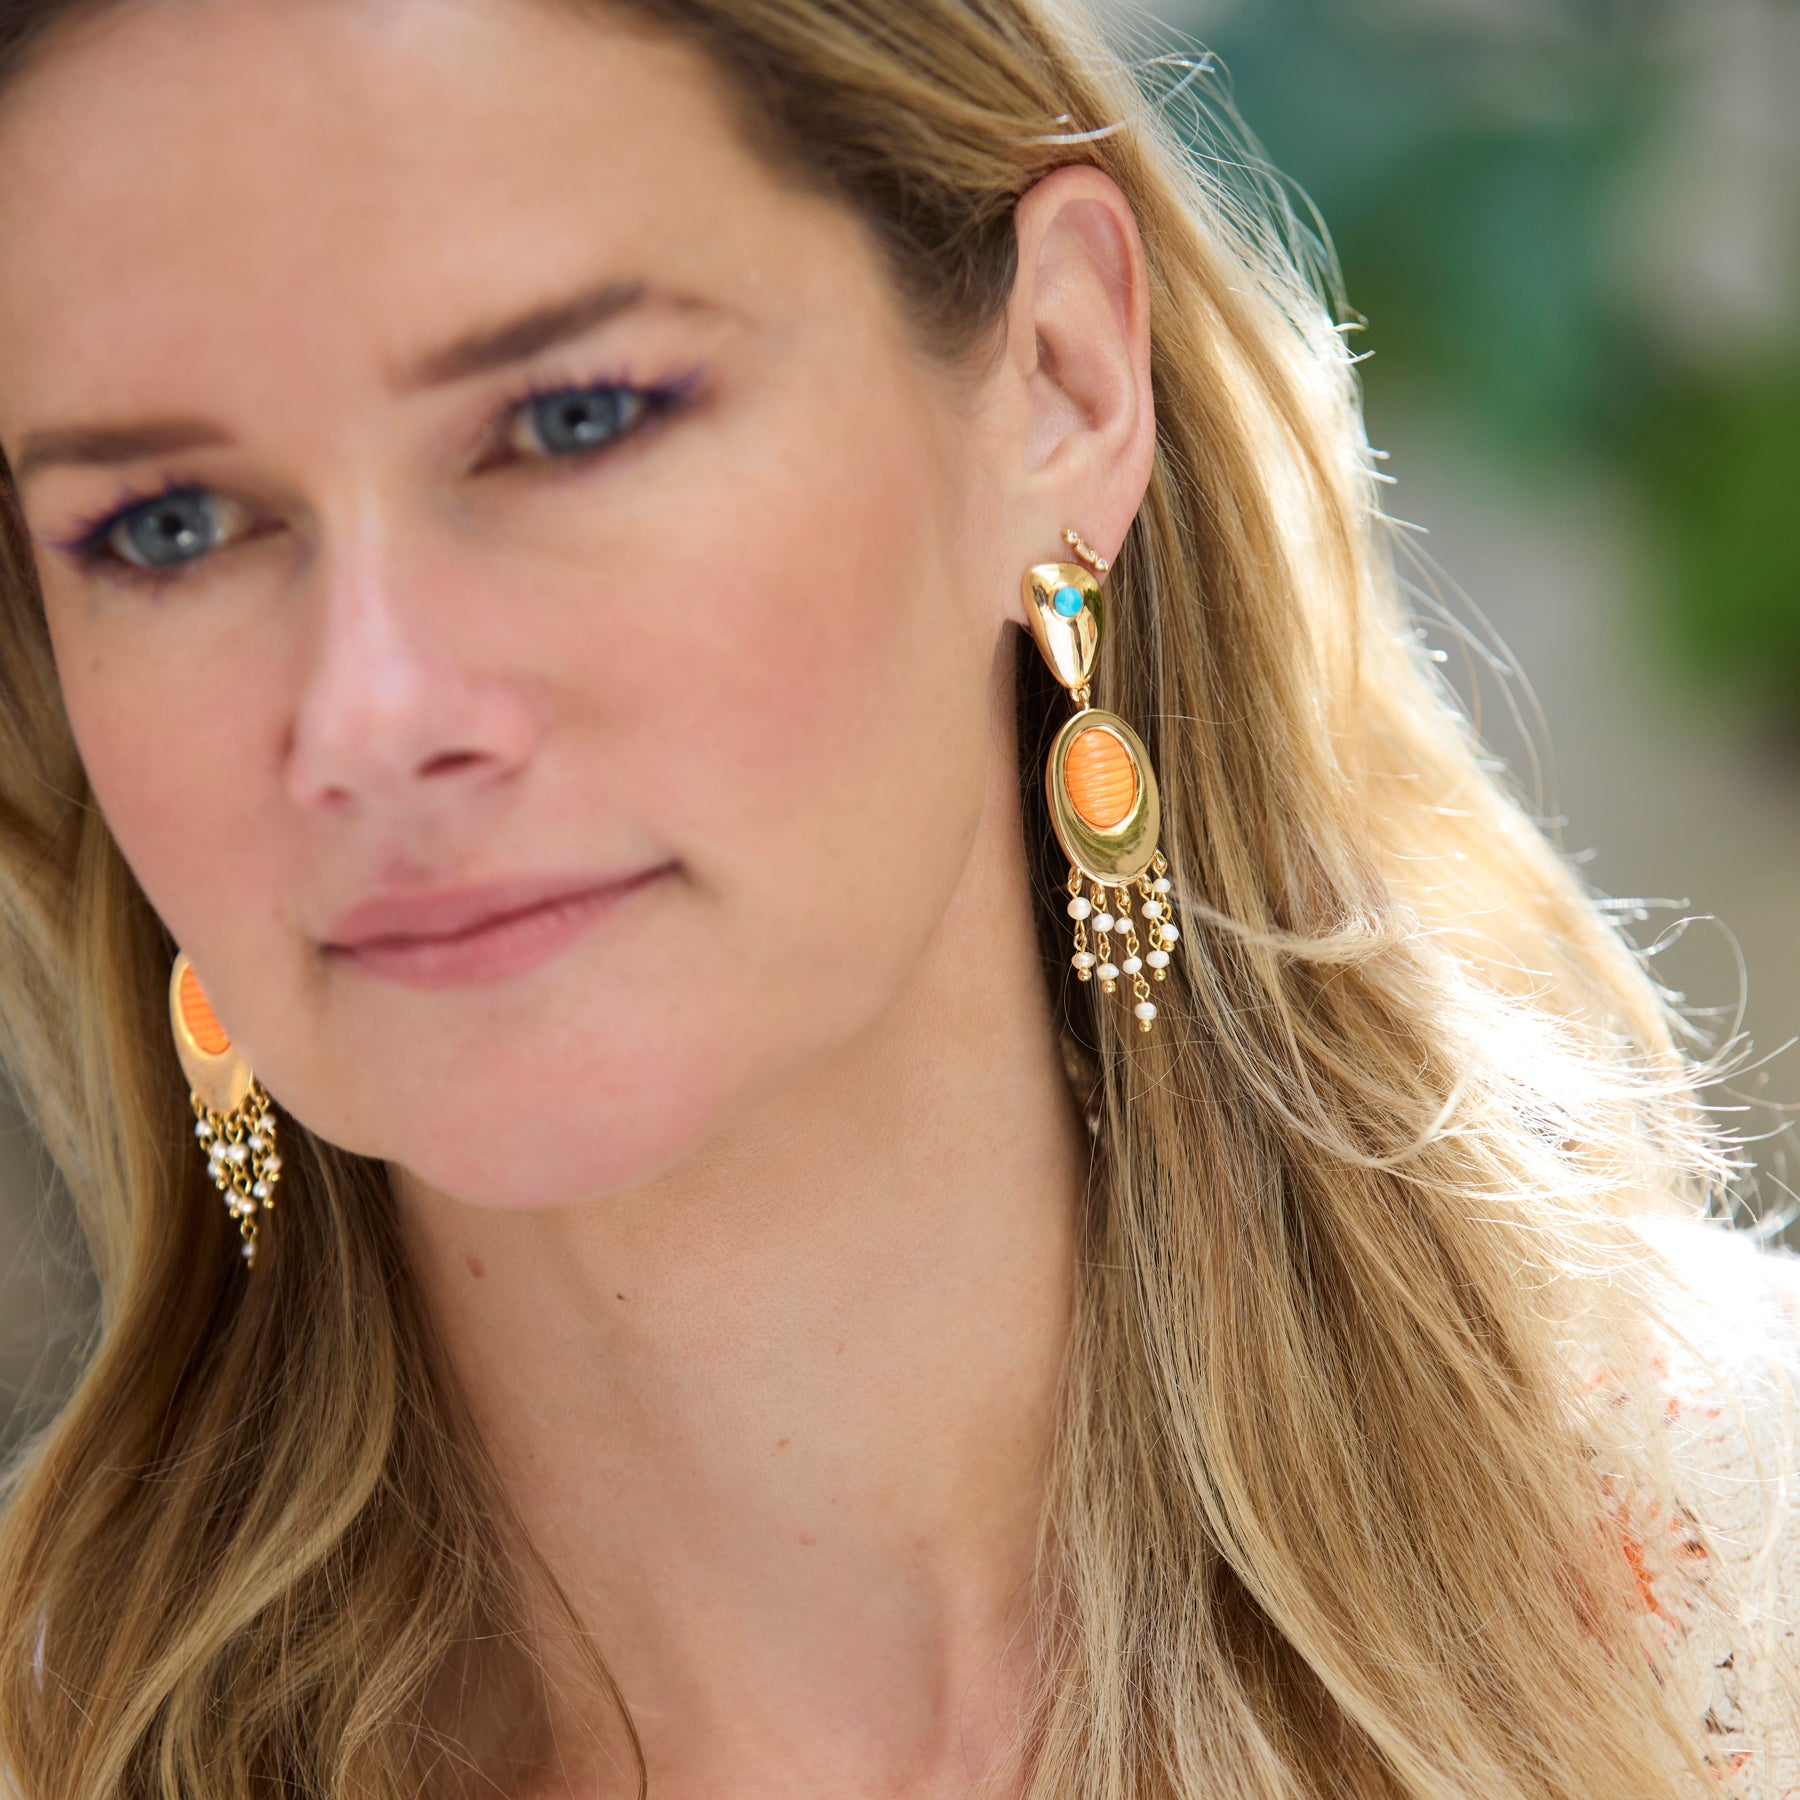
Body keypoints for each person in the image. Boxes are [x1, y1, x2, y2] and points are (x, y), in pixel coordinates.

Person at [0, 0, 1793, 1794]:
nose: (373, 717)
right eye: (164, 525)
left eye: (571, 417)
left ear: (1063, 378)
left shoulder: (1744, 1567)